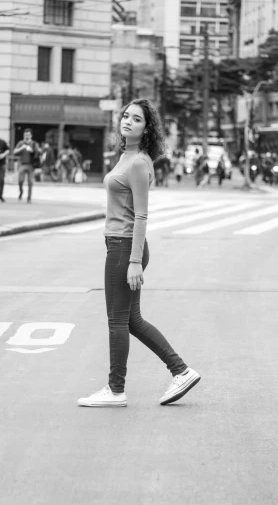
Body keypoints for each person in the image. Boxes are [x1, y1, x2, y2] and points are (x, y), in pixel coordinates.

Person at [77, 98, 200, 408]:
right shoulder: (126, 156)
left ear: (147, 129)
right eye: (126, 116)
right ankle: (181, 371)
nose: (128, 121)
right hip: (120, 245)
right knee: (131, 320)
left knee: (117, 321)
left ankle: (115, 390)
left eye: (137, 119)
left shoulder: (138, 163)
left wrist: (134, 262)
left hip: (124, 247)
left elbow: (141, 215)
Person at [13, 129, 39, 203]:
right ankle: (21, 191)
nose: (27, 137)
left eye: (28, 135)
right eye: (25, 135)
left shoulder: (34, 144)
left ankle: (29, 197)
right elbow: (14, 152)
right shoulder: (21, 143)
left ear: (31, 135)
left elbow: (38, 152)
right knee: (20, 180)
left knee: (30, 182)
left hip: (31, 165)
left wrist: (32, 150)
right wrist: (22, 147)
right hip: (22, 164)